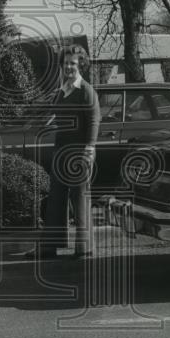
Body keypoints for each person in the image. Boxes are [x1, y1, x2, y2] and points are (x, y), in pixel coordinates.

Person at [39, 44, 100, 260]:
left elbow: (94, 120)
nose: (68, 67)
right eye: (65, 63)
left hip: (79, 152)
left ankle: (84, 249)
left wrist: (90, 148)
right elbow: (51, 114)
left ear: (81, 64)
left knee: (80, 198)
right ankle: (50, 247)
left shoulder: (86, 91)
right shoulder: (63, 90)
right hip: (61, 150)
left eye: (73, 63)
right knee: (56, 198)